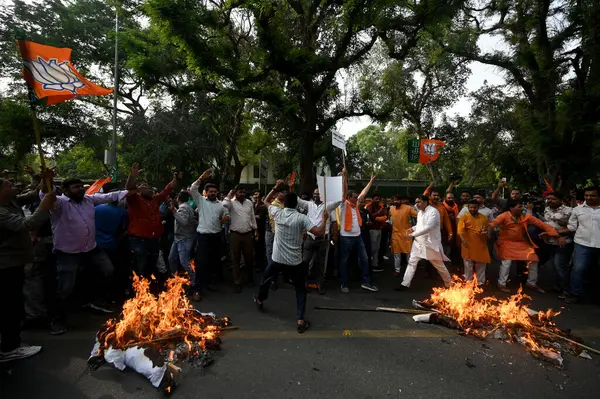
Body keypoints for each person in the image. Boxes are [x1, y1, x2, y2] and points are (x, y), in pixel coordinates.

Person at [40, 170, 135, 335]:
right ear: (65, 190)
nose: (80, 189)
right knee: (65, 288)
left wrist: (132, 179)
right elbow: (46, 195)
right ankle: (56, 319)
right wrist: (45, 179)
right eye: (76, 187)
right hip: (68, 253)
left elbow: (110, 196)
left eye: (80, 187)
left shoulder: (89, 200)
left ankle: (94, 301)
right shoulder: (59, 204)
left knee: (108, 271)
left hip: (91, 248)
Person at [254, 192, 328, 333]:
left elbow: (266, 200)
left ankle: (259, 300)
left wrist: (276, 187)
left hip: (277, 258)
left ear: (284, 203)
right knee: (300, 289)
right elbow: (319, 232)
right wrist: (324, 219)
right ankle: (300, 320)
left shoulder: (277, 213)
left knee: (266, 279)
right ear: (296, 204)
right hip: (295, 261)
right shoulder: (302, 218)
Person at [0, 177, 55, 362]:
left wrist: (46, 179)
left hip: (16, 263)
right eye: (9, 185)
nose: (14, 186)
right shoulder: (1, 211)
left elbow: (32, 194)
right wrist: (44, 206)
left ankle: (11, 341)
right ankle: (9, 348)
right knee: (10, 307)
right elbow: (27, 225)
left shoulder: (11, 201)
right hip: (6, 266)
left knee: (14, 303)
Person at [489, 200, 560, 294]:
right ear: (511, 208)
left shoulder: (526, 216)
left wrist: (554, 233)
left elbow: (541, 224)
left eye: (522, 206)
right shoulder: (504, 215)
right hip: (506, 242)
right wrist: (488, 232)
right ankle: (501, 283)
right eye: (519, 207)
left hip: (522, 243)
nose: (522, 208)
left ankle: (531, 283)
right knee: (507, 261)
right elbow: (493, 224)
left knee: (533, 260)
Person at [127, 166, 180, 281]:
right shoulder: (134, 199)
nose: (149, 188)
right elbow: (129, 188)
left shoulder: (155, 199)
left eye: (149, 187)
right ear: (138, 190)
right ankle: (136, 289)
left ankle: (148, 288)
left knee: (152, 262)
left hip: (154, 239)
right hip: (139, 240)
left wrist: (175, 178)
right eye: (144, 187)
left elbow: (169, 188)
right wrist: (132, 176)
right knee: (140, 264)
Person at [396, 195, 452, 290]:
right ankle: (404, 284)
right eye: (416, 202)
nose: (416, 204)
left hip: (430, 243)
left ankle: (449, 284)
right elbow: (420, 225)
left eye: (419, 202)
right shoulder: (420, 212)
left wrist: (412, 235)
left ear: (426, 202)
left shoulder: (433, 212)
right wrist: (412, 229)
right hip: (419, 243)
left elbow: (428, 227)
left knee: (439, 265)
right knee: (412, 262)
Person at [190, 169, 229, 299]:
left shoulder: (221, 205)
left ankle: (211, 283)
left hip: (216, 237)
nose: (213, 193)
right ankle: (197, 289)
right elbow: (193, 188)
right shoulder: (200, 201)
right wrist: (201, 177)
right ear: (207, 193)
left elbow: (227, 214)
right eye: (210, 191)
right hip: (203, 238)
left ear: (217, 192)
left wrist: (226, 218)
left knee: (214, 262)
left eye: (214, 191)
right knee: (200, 263)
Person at [338, 169, 379, 293]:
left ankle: (365, 282)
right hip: (346, 237)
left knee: (365, 259)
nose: (357, 199)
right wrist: (345, 177)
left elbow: (363, 193)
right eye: (355, 197)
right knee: (345, 260)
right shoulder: (343, 204)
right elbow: (344, 191)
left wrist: (371, 181)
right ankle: (344, 284)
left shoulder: (356, 205)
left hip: (358, 236)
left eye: (357, 197)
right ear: (349, 197)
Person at [298, 187, 339, 294]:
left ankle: (320, 284)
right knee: (305, 261)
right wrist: (290, 187)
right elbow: (297, 200)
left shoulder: (328, 206)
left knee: (321, 264)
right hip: (310, 238)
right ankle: (304, 284)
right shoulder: (309, 204)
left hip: (323, 239)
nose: (316, 195)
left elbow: (339, 200)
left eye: (318, 194)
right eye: (314, 194)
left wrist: (343, 181)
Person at [566, 186, 600, 304]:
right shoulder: (578, 210)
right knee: (579, 269)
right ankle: (575, 293)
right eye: (587, 195)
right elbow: (572, 226)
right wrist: (555, 231)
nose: (589, 197)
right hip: (582, 243)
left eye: (592, 195)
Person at [94, 188, 128, 297]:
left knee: (98, 271)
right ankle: (111, 294)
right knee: (113, 269)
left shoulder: (96, 208)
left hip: (94, 244)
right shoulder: (123, 212)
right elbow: (123, 230)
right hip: (111, 244)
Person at [223, 185, 257, 293]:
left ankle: (250, 279)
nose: (242, 194)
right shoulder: (231, 203)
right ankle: (237, 282)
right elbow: (223, 205)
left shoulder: (249, 203)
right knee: (235, 259)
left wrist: (256, 230)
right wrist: (229, 195)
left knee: (249, 258)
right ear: (235, 192)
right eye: (239, 192)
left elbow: (252, 217)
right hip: (235, 234)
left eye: (243, 192)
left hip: (248, 234)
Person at [542, 192, 573, 299]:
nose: (550, 200)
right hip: (549, 242)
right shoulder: (547, 209)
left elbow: (572, 227)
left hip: (563, 242)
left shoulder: (569, 211)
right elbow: (547, 224)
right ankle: (557, 287)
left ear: (560, 200)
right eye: (548, 198)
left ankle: (567, 291)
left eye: (553, 199)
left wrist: (559, 235)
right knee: (553, 266)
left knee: (560, 266)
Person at [168, 191, 199, 299]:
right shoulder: (187, 207)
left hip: (184, 239)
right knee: (171, 259)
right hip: (179, 239)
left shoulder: (184, 208)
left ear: (178, 198)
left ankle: (195, 286)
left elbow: (184, 221)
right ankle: (176, 282)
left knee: (185, 263)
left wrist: (173, 211)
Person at [457, 200, 491, 286]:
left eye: (474, 207)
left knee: (481, 263)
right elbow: (460, 230)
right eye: (471, 207)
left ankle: (481, 282)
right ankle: (468, 282)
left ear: (478, 207)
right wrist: (463, 240)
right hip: (468, 243)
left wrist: (486, 233)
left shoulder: (484, 218)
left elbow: (487, 229)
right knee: (468, 263)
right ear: (468, 208)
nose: (472, 209)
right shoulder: (464, 217)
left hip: (480, 243)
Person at [389, 195, 417, 277]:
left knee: (409, 254)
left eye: (398, 200)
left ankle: (411, 271)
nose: (396, 202)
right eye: (394, 200)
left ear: (401, 201)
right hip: (395, 235)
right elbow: (389, 219)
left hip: (406, 235)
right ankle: (397, 270)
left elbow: (418, 215)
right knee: (396, 254)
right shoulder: (391, 209)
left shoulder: (408, 208)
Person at [365, 192, 388, 272]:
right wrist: (378, 214)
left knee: (377, 248)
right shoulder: (369, 206)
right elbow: (370, 217)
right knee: (372, 248)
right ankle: (368, 265)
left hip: (379, 229)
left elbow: (385, 217)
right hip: (372, 230)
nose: (378, 200)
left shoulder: (380, 206)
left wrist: (380, 218)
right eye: (376, 199)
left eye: (379, 199)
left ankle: (375, 265)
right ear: (372, 199)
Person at [252, 190, 268, 271]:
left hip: (260, 229)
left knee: (260, 247)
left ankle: (261, 265)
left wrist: (250, 216)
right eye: (254, 194)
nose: (254, 196)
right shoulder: (253, 204)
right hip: (254, 229)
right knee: (255, 247)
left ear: (261, 196)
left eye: (256, 194)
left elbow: (260, 217)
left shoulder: (262, 206)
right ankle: (256, 262)